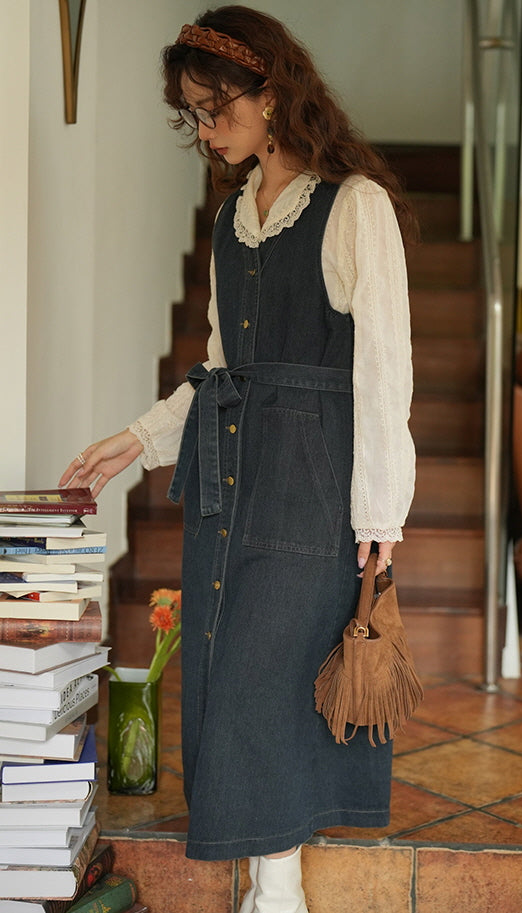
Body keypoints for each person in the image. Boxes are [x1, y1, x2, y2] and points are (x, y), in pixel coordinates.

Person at [60, 6, 415, 912]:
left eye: (217, 109)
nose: (207, 130)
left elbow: (384, 371)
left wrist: (379, 511)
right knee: (222, 663)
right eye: (193, 114)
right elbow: (221, 368)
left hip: (312, 475)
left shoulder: (355, 207)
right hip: (231, 466)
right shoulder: (228, 222)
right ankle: (269, 879)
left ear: (273, 94)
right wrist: (134, 442)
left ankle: (278, 886)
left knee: (268, 669)